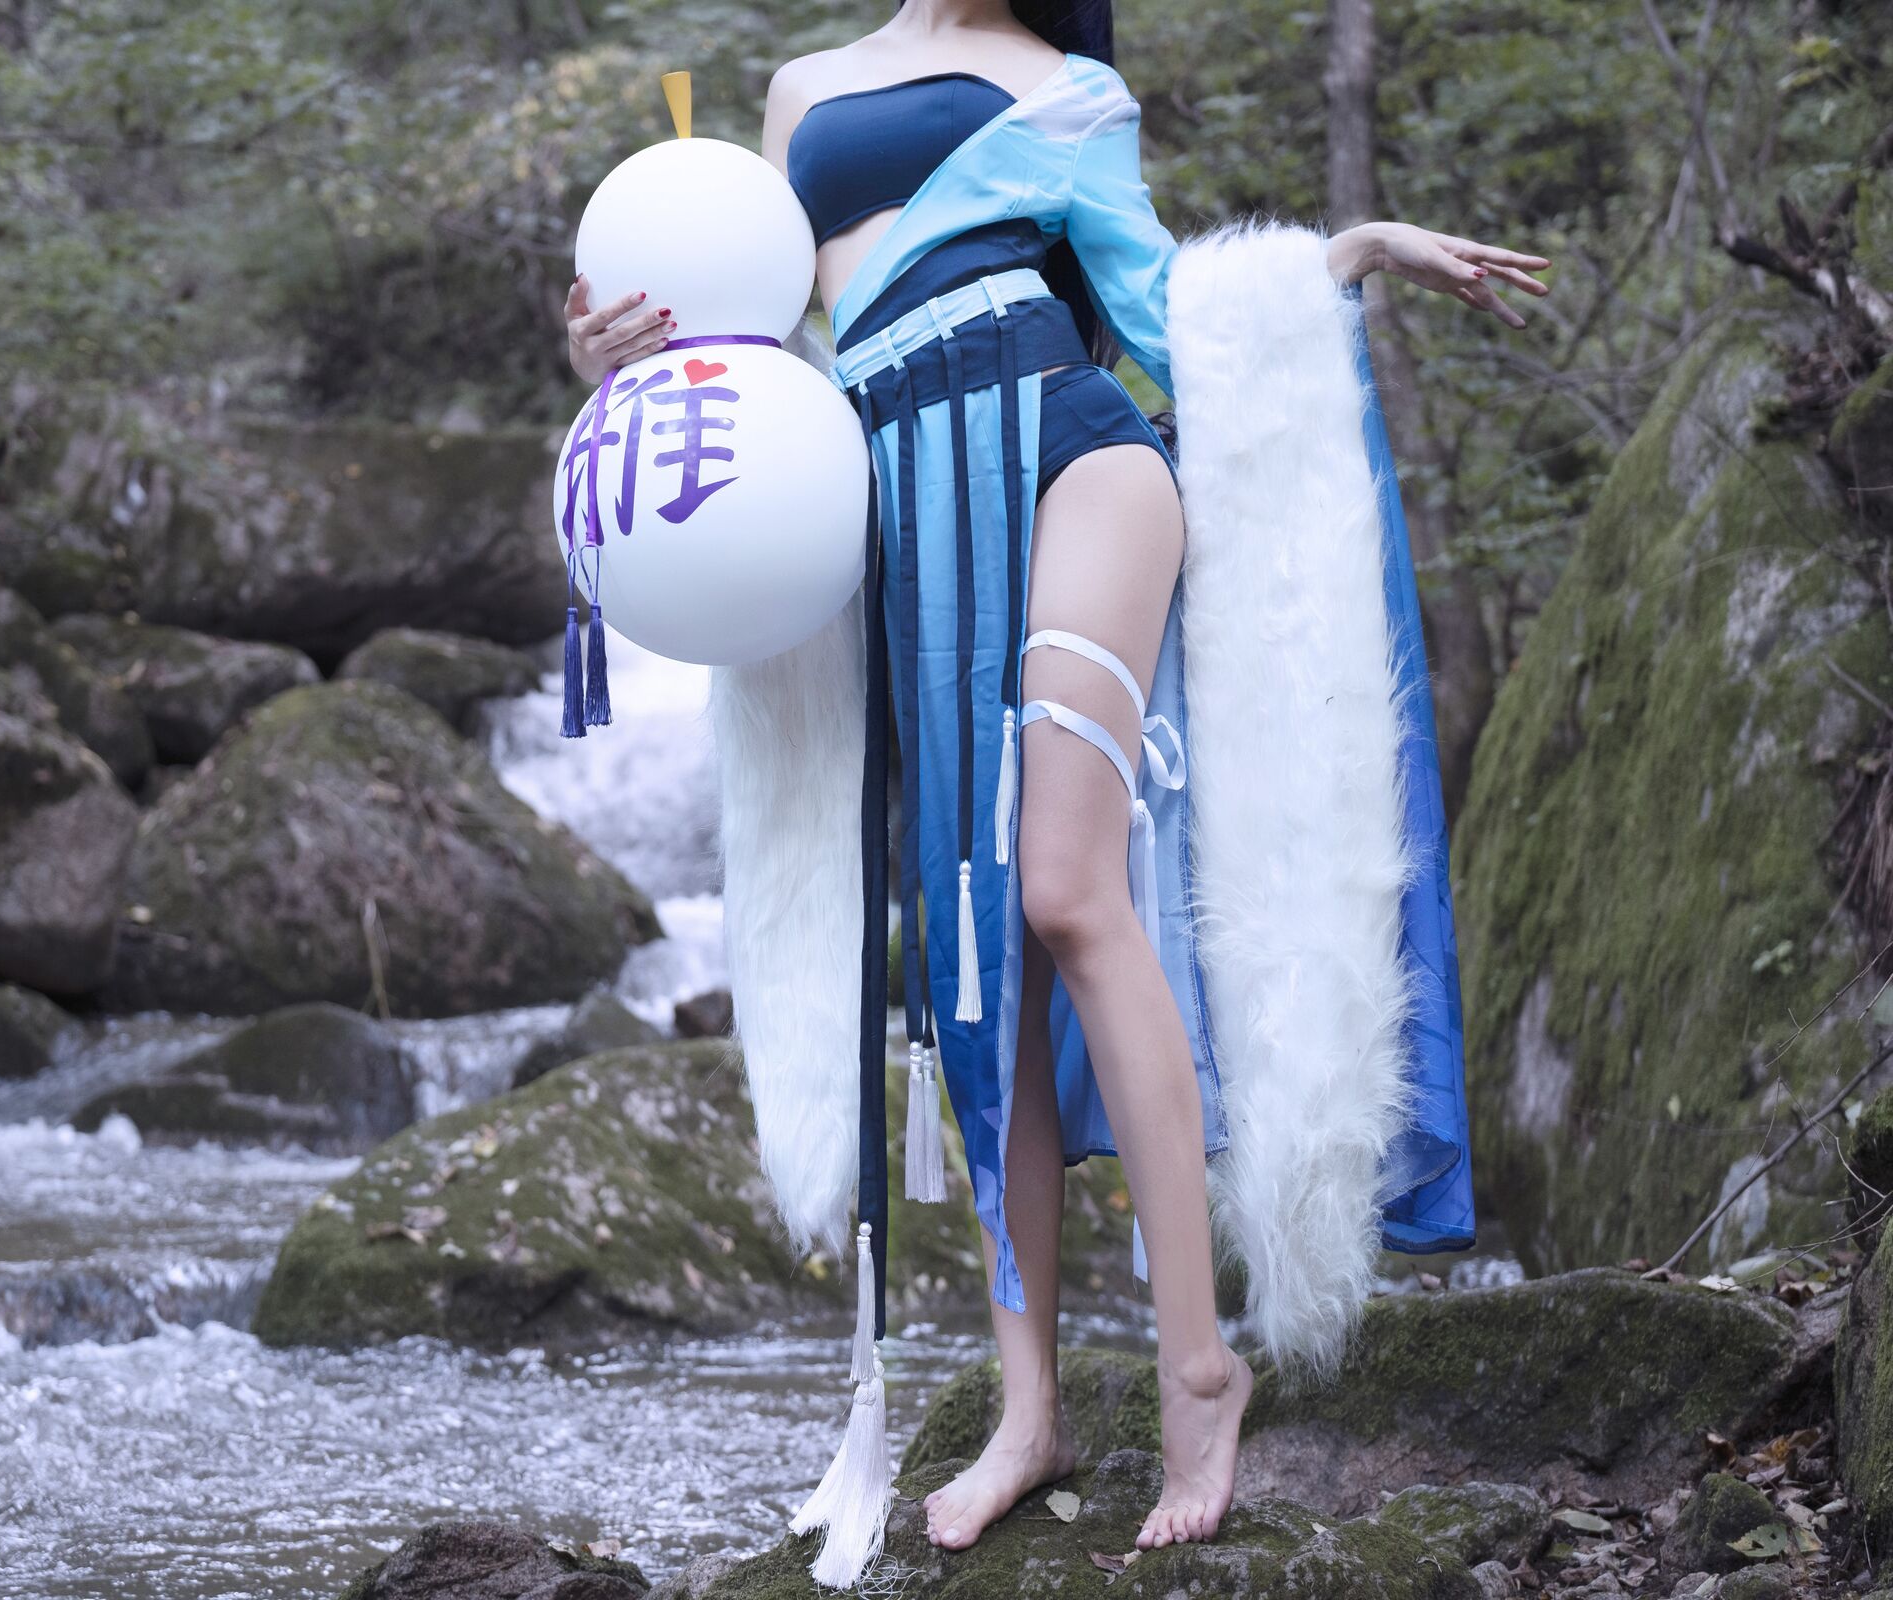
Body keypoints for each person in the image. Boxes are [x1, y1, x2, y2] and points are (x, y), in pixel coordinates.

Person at [563, 0, 1542, 1576]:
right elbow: (753, 344)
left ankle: (1197, 1368)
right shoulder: (803, 90)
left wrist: (1340, 259)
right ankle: (1031, 1411)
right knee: (976, 952)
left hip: (1077, 459)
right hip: (903, 502)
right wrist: (617, 357)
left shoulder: (1074, 92)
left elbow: (1166, 316)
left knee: (1068, 892)